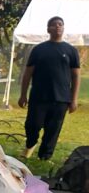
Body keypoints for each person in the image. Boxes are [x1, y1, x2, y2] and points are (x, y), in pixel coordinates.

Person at [18, 16, 80, 160]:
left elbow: (76, 76)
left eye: (60, 24)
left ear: (63, 28)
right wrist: (23, 94)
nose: (58, 27)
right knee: (32, 125)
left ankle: (44, 156)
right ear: (48, 29)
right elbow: (28, 73)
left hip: (61, 98)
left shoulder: (71, 51)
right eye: (54, 25)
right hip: (39, 96)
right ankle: (30, 144)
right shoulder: (39, 49)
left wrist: (74, 99)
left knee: (53, 130)